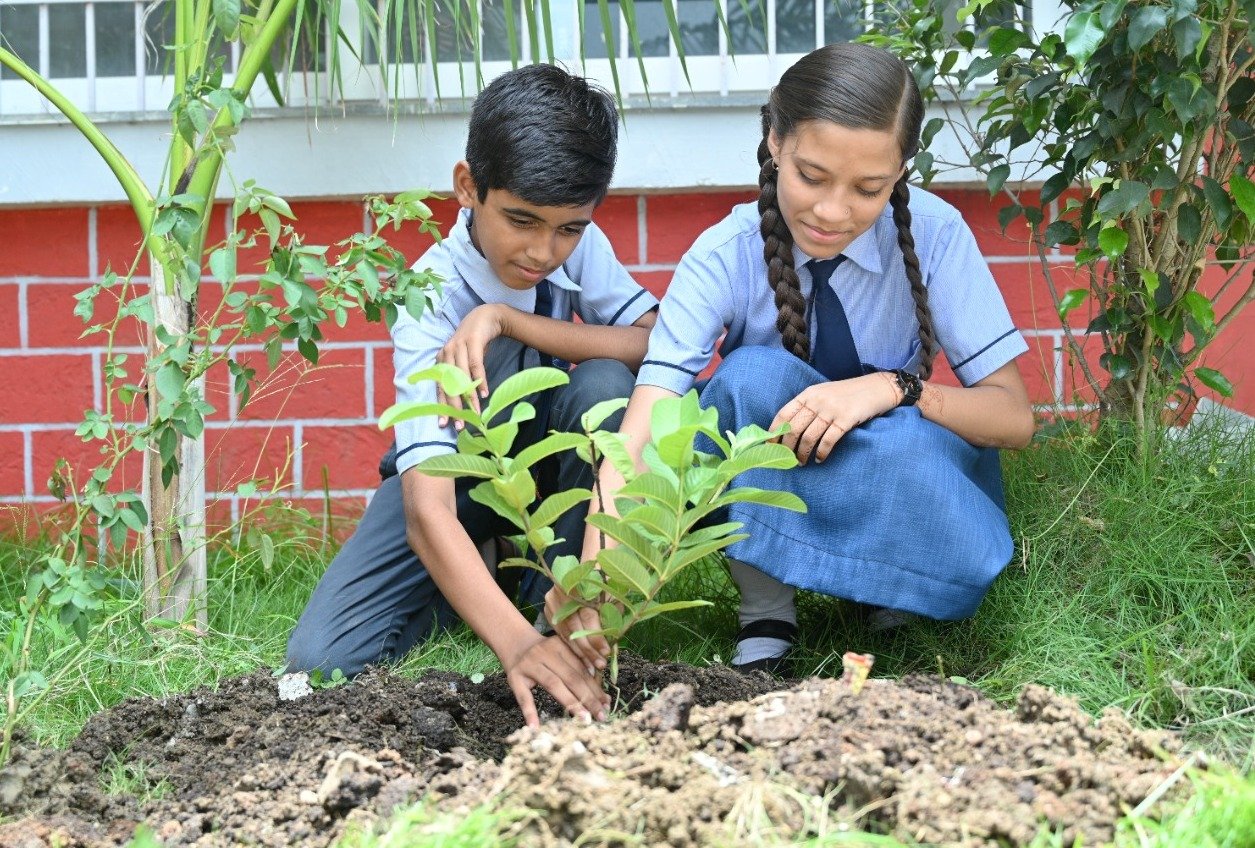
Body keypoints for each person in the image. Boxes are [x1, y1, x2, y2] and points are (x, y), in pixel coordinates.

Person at [547, 42, 1035, 677]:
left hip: (895, 475)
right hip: (778, 464)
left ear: (903, 170)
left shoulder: (936, 236)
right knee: (746, 380)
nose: (833, 212)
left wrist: (892, 389)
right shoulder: (725, 253)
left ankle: (880, 590)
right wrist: (594, 576)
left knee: (909, 445)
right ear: (774, 141)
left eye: (869, 188)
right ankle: (768, 613)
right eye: (811, 176)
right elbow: (646, 424)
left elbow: (1014, 418)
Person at [287, 64, 658, 726]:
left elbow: (654, 342)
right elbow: (426, 505)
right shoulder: (426, 294)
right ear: (467, 187)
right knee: (321, 663)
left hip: (546, 480)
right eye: (521, 220)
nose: (544, 250)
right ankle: (490, 586)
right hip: (450, 484)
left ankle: (563, 611)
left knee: (606, 388)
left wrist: (507, 319)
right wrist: (511, 647)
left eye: (568, 227)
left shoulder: (578, 243)